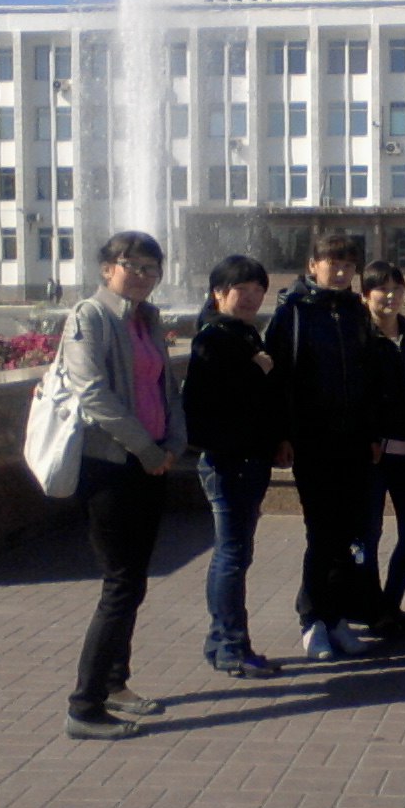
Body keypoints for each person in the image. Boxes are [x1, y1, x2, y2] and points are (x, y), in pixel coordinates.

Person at [62, 231, 186, 740]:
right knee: (119, 585)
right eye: (132, 265)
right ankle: (84, 707)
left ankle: (115, 683)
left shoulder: (146, 319)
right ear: (107, 267)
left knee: (132, 582)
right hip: (111, 466)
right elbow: (92, 393)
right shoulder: (89, 316)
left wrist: (174, 441)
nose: (142, 275)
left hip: (151, 463)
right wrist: (146, 448)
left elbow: (165, 387)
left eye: (151, 268)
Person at [264, 233, 377, 661]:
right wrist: (282, 434)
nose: (341, 271)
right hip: (314, 440)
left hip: (354, 440)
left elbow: (367, 374)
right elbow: (279, 379)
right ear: (313, 266)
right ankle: (312, 619)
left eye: (348, 264)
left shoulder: (355, 311)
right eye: (333, 263)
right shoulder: (293, 312)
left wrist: (371, 433)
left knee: (349, 532)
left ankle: (336, 617)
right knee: (322, 531)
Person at [184, 255, 281, 680]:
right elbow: (204, 406)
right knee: (232, 554)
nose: (251, 297)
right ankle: (230, 646)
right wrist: (256, 370)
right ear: (218, 293)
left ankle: (221, 642)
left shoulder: (243, 333)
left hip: (248, 458)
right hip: (230, 462)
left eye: (258, 290)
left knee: (235, 553)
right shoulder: (214, 338)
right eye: (242, 289)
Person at [360, 260, 405, 625]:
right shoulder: (357, 337)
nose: (390, 296)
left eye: (396, 288)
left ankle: (389, 602)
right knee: (368, 535)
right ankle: (371, 608)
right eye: (381, 289)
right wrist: (367, 435)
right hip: (370, 455)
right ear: (365, 295)